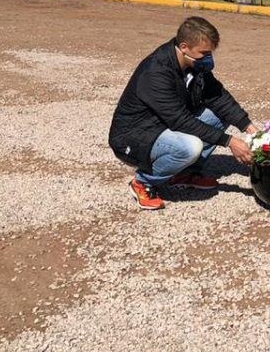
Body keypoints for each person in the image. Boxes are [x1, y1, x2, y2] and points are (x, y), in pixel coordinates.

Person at [109, 16, 256, 211]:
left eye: (210, 52)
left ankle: (184, 173)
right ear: (185, 47)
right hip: (134, 136)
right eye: (204, 53)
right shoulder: (156, 71)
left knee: (221, 114)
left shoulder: (194, 64)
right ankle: (143, 182)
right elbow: (180, 120)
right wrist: (230, 141)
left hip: (164, 125)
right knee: (190, 147)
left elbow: (217, 96)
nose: (208, 58)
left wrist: (248, 126)